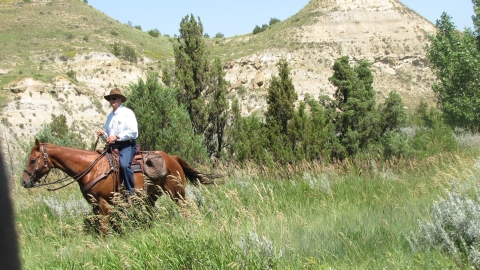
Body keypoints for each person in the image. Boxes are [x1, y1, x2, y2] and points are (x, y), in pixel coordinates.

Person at [97, 88, 138, 198]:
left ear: (120, 99)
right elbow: (108, 136)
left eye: (114, 98)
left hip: (127, 145)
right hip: (112, 146)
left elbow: (134, 132)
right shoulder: (110, 116)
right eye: (110, 99)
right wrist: (103, 135)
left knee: (124, 165)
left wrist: (117, 137)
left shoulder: (127, 113)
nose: (112, 101)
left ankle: (131, 194)